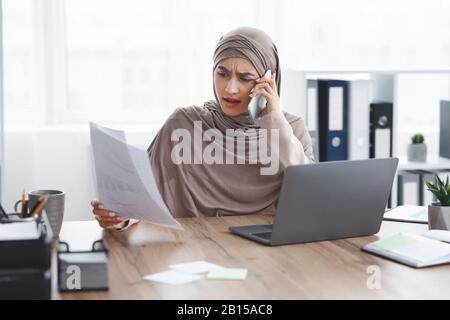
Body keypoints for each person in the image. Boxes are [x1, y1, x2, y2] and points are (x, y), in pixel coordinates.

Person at [91, 26, 314, 230]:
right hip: (195, 251)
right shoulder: (184, 124)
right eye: (222, 73)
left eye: (245, 78)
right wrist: (120, 216)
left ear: (268, 81)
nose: (230, 88)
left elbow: (311, 195)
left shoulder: (291, 129)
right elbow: (140, 199)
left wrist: (273, 119)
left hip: (270, 255)